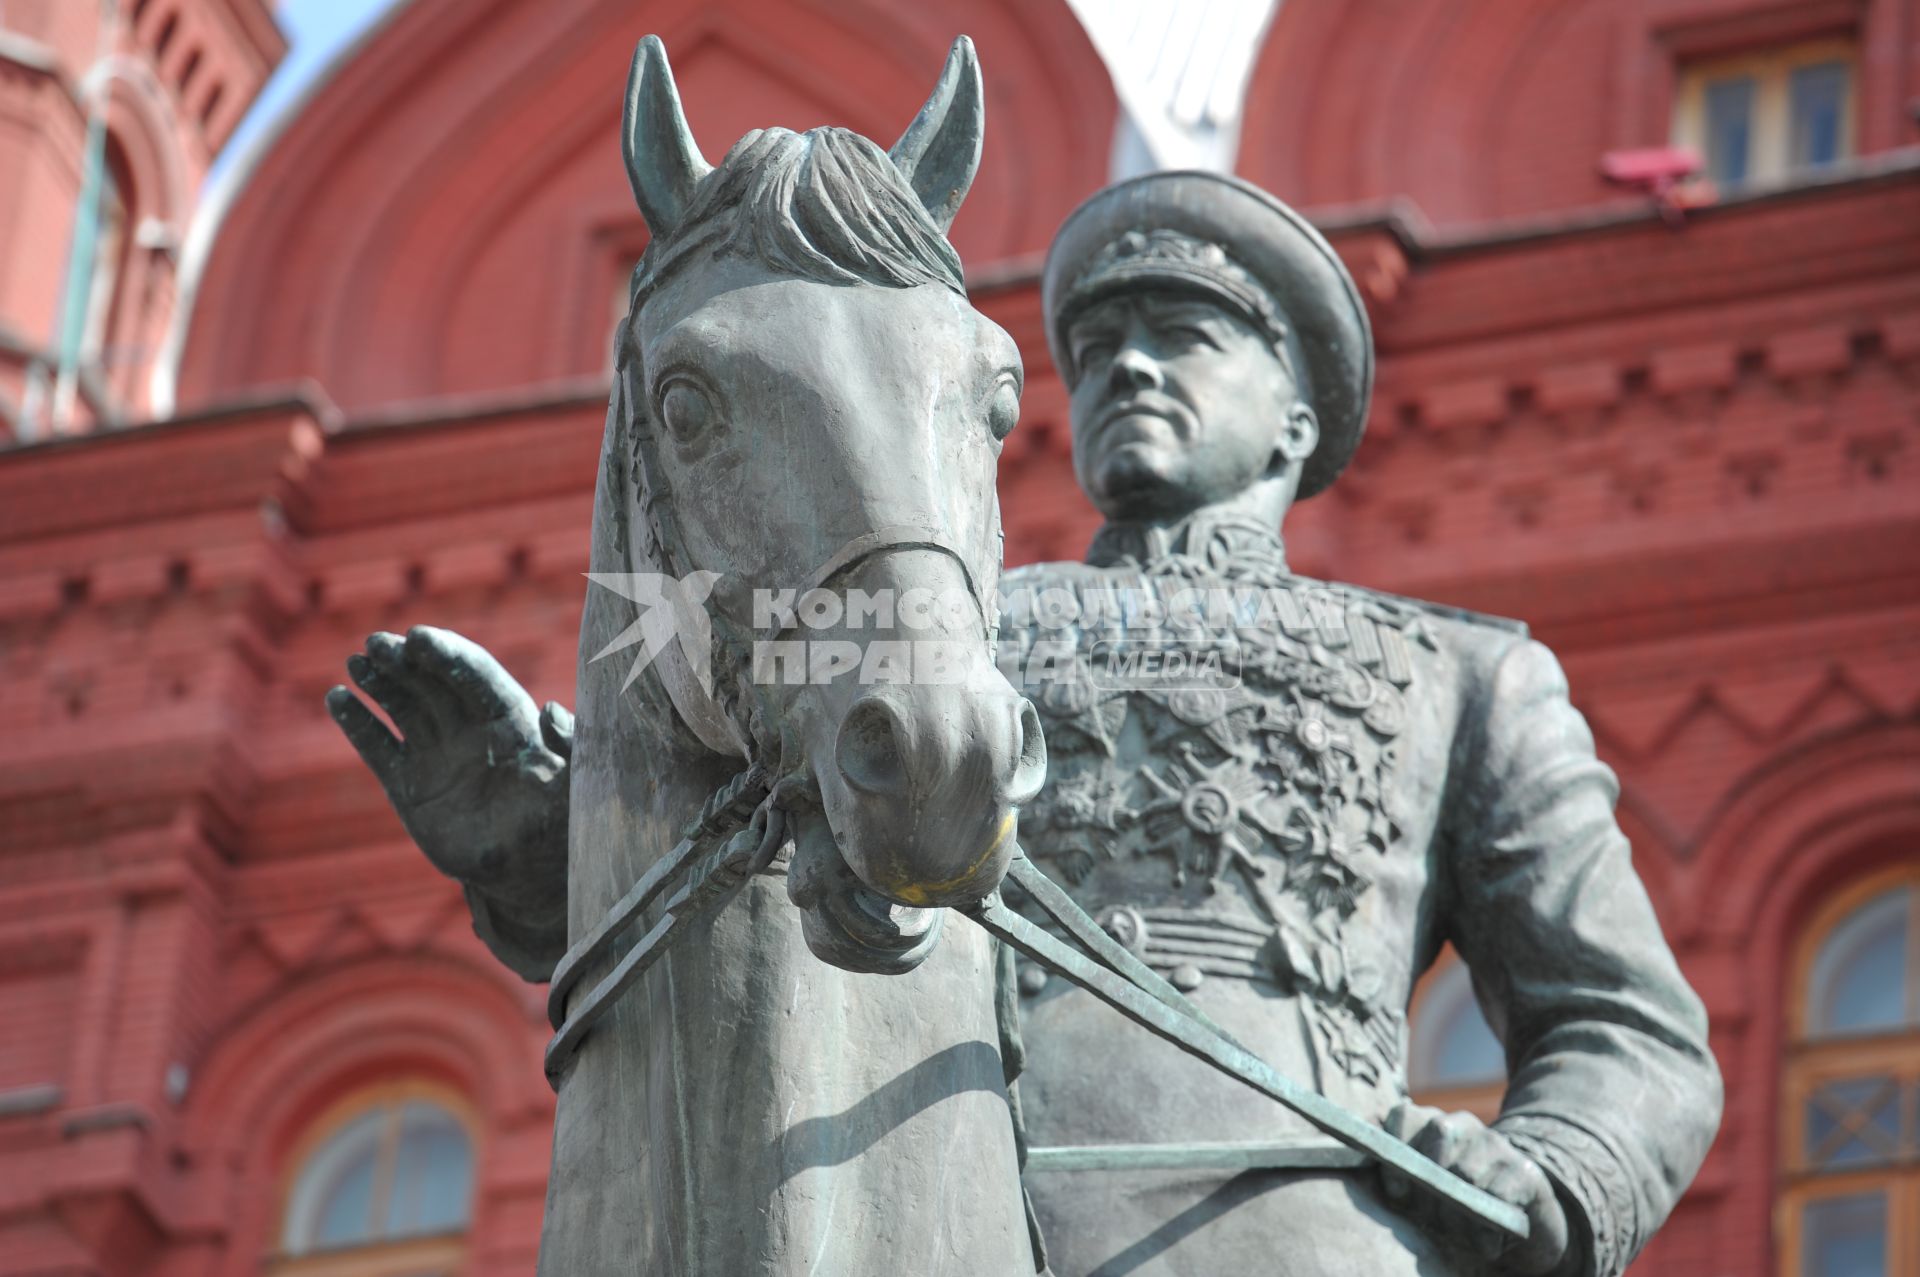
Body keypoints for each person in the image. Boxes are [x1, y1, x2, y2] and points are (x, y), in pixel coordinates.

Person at [327, 171, 1721, 1276]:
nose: (1129, 369)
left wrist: (1552, 1168)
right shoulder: (946, 630)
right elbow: (728, 864)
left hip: (1294, 1240)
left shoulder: (1457, 673)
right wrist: (531, 840)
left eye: (1185, 336)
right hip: (923, 1202)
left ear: (1296, 419)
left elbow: (1627, 1026)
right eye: (1100, 345)